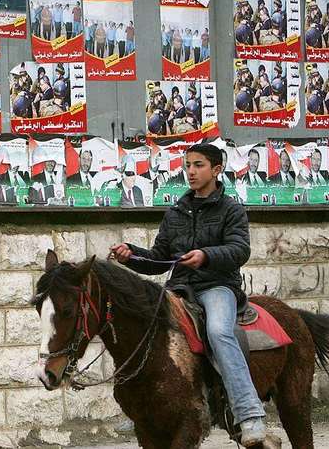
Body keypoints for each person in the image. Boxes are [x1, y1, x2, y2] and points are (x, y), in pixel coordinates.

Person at [110, 143, 267, 448]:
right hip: (179, 289)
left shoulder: (231, 210)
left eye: (198, 165)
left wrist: (206, 256)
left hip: (218, 286)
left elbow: (240, 250)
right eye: (187, 166)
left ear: (216, 169)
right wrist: (130, 255)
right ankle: (148, 406)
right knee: (145, 327)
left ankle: (249, 414)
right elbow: (159, 258)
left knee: (219, 332)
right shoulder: (176, 212)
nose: (191, 172)